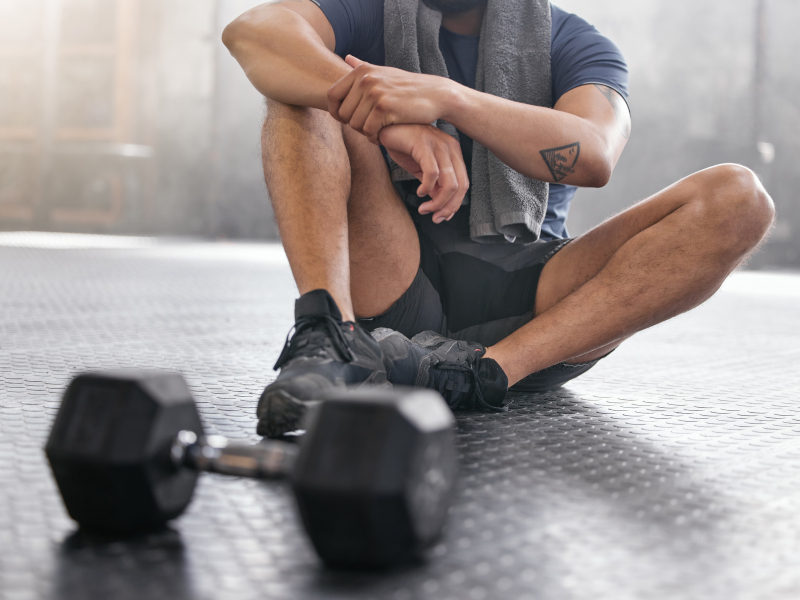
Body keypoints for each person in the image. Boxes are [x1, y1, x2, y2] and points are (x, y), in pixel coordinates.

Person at [222, 0, 775, 438]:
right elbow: (252, 31)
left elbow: (594, 154)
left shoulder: (575, 42)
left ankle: (482, 375)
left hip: (531, 302)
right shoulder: (368, 10)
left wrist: (451, 100)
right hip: (394, 275)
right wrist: (391, 122)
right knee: (296, 90)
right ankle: (326, 337)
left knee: (739, 197)